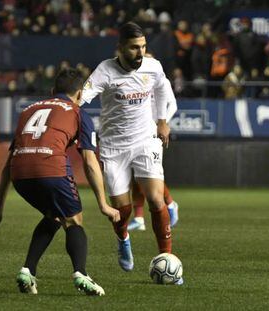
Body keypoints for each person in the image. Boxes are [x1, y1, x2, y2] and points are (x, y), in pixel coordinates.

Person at [0, 68, 120, 296]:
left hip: (20, 174)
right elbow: (89, 161)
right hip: (51, 169)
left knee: (54, 215)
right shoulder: (78, 112)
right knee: (74, 221)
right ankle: (81, 273)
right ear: (80, 94)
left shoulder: (29, 110)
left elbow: (8, 163)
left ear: (52, 91)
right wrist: (103, 204)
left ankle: (27, 271)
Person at [81, 22, 183, 285]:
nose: (140, 53)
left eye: (143, 47)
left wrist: (162, 120)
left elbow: (162, 89)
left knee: (156, 200)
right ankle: (123, 239)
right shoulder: (105, 71)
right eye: (134, 48)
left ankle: (167, 258)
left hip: (145, 140)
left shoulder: (153, 66)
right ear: (120, 48)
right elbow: (82, 98)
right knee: (121, 209)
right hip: (114, 147)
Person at [128, 76, 179, 231]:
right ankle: (138, 218)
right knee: (134, 175)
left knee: (149, 173)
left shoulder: (160, 81)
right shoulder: (133, 82)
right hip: (135, 132)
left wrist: (161, 123)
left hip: (152, 133)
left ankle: (170, 203)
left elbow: (173, 105)